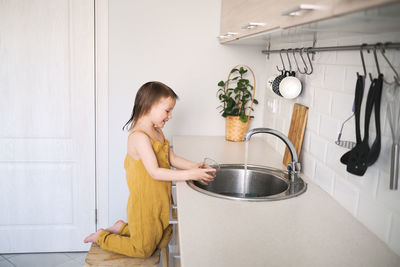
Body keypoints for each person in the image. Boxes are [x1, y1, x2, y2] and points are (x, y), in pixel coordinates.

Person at [83, 81, 216, 258]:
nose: (170, 116)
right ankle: (102, 236)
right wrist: (190, 175)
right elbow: (155, 172)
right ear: (149, 106)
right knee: (143, 250)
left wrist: (196, 166)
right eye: (167, 110)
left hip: (160, 199)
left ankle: (122, 227)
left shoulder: (157, 132)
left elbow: (172, 158)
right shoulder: (139, 137)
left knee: (163, 239)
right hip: (144, 204)